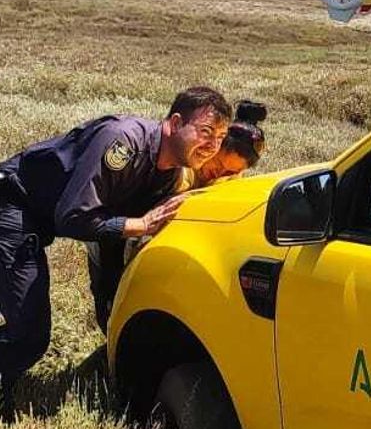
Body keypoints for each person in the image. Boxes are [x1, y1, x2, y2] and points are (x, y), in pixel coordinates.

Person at [0, 87, 233, 429]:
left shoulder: (169, 175)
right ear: (173, 122)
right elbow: (73, 215)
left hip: (32, 218)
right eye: (204, 131)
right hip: (11, 207)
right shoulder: (124, 142)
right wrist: (139, 225)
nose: (211, 145)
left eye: (219, 138)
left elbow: (109, 236)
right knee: (29, 333)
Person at [85, 101, 269, 335]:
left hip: (156, 248)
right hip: (114, 229)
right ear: (212, 146)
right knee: (110, 297)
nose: (219, 173)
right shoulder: (179, 165)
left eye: (230, 172)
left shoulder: (233, 179)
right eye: (219, 163)